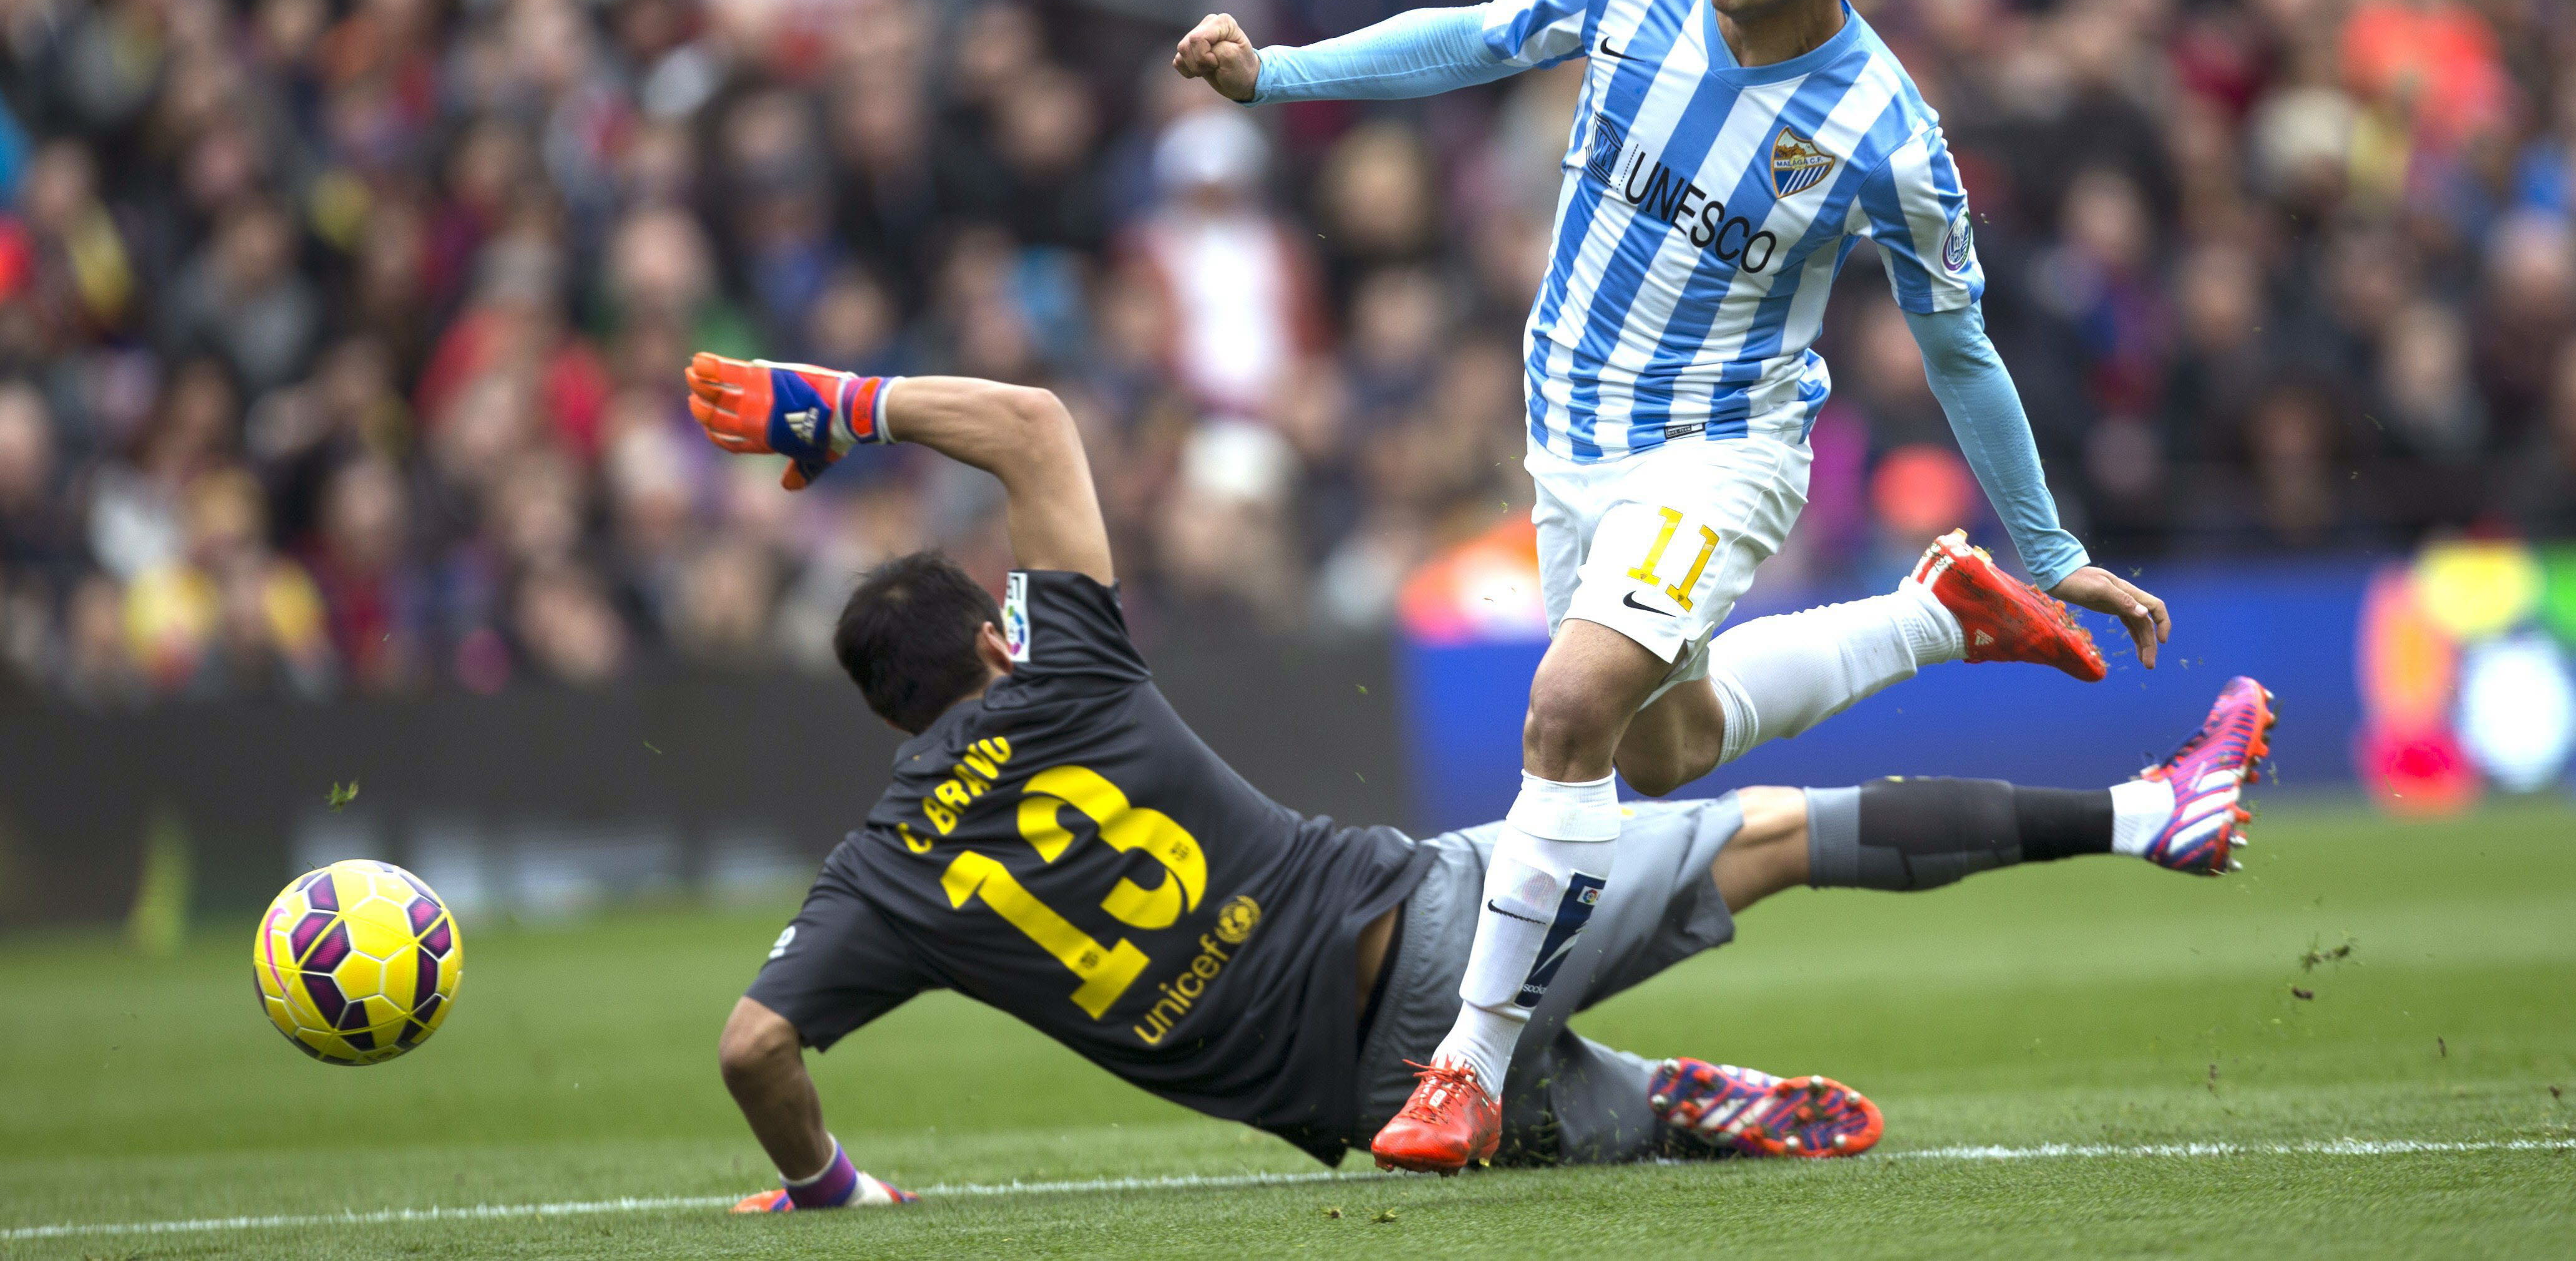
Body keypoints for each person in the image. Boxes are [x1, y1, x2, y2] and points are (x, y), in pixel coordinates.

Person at [1171, 0, 2177, 1170]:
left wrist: (2053, 541)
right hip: (1570, 436)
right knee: (1665, 743)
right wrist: (1275, 72)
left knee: (1569, 704)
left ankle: (1466, 1061)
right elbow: (1471, 37)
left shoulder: (1888, 135)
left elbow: (1963, 350)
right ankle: (1941, 613)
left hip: (1722, 447)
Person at [682, 352, 2269, 1208]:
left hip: (1361, 1103)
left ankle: (1660, 1105)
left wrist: (828, 1185)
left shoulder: (883, 869)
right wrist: (838, 408)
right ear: (994, 642)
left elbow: (756, 1046)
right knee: (1766, 832)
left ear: (898, 717)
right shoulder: (1072, 678)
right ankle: (2146, 811)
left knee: (1595, 1125)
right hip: (1438, 925)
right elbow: (1031, 424)